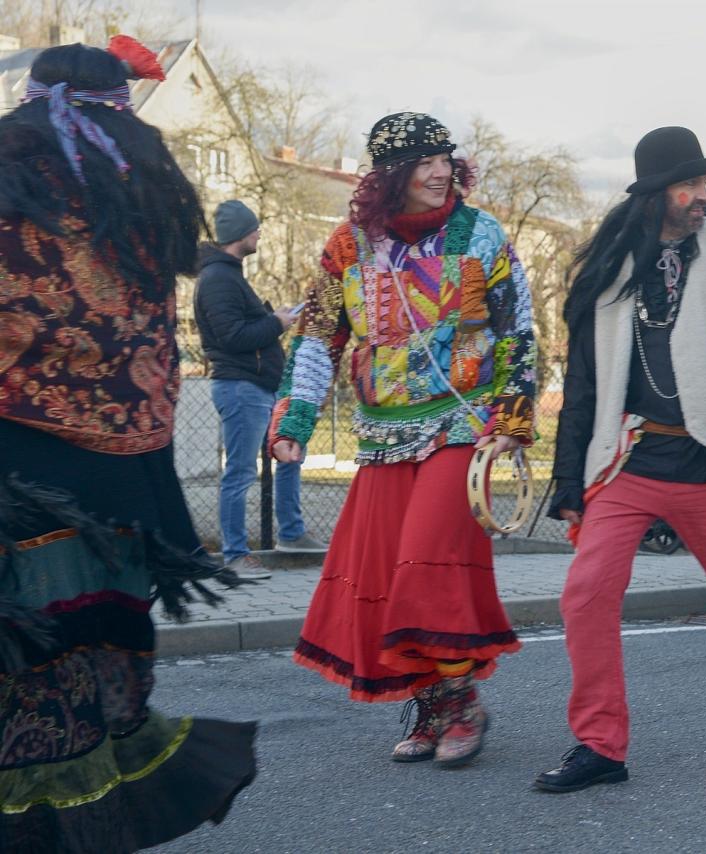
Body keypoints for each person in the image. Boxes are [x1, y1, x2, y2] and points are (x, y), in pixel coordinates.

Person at [0, 38, 256, 851]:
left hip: (19, 478)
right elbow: (153, 359)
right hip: (125, 489)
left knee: (27, 670)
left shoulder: (14, 183)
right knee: (97, 667)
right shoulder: (142, 206)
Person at [539, 126, 706, 792]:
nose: (702, 195)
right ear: (656, 194)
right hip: (628, 461)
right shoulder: (608, 269)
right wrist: (567, 478)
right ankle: (600, 745)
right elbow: (583, 384)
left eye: (704, 182)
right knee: (586, 593)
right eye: (689, 184)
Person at [271, 113, 536, 766]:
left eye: (446, 159)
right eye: (424, 162)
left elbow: (516, 329)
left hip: (462, 425)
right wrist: (295, 421)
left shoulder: (482, 234)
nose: (441, 172)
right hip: (382, 433)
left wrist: (512, 417)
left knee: (427, 565)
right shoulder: (347, 246)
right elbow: (317, 337)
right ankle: (434, 704)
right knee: (391, 574)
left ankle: (463, 704)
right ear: (391, 175)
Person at [195, 199, 327, 581]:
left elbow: (241, 327)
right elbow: (232, 336)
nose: (259, 233)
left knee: (291, 452)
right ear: (239, 233)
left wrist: (273, 318)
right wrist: (276, 323)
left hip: (259, 387)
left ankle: (292, 534)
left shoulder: (229, 275)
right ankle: (236, 555)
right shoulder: (218, 279)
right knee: (239, 472)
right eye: (254, 227)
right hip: (241, 388)